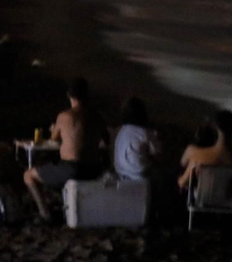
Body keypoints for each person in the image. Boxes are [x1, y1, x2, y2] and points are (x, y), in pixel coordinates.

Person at [23, 78, 109, 219]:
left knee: (28, 175)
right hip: (94, 169)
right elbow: (106, 140)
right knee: (57, 169)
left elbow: (53, 140)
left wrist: (53, 129)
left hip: (72, 169)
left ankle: (45, 213)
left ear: (69, 95)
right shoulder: (97, 116)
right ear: (87, 95)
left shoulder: (64, 116)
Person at [178, 109, 232, 190]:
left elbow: (182, 182)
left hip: (199, 198)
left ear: (215, 126)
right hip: (224, 201)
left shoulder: (195, 153)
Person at [113, 97, 161, 180]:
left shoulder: (120, 131)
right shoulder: (144, 132)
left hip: (120, 174)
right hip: (139, 176)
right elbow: (158, 154)